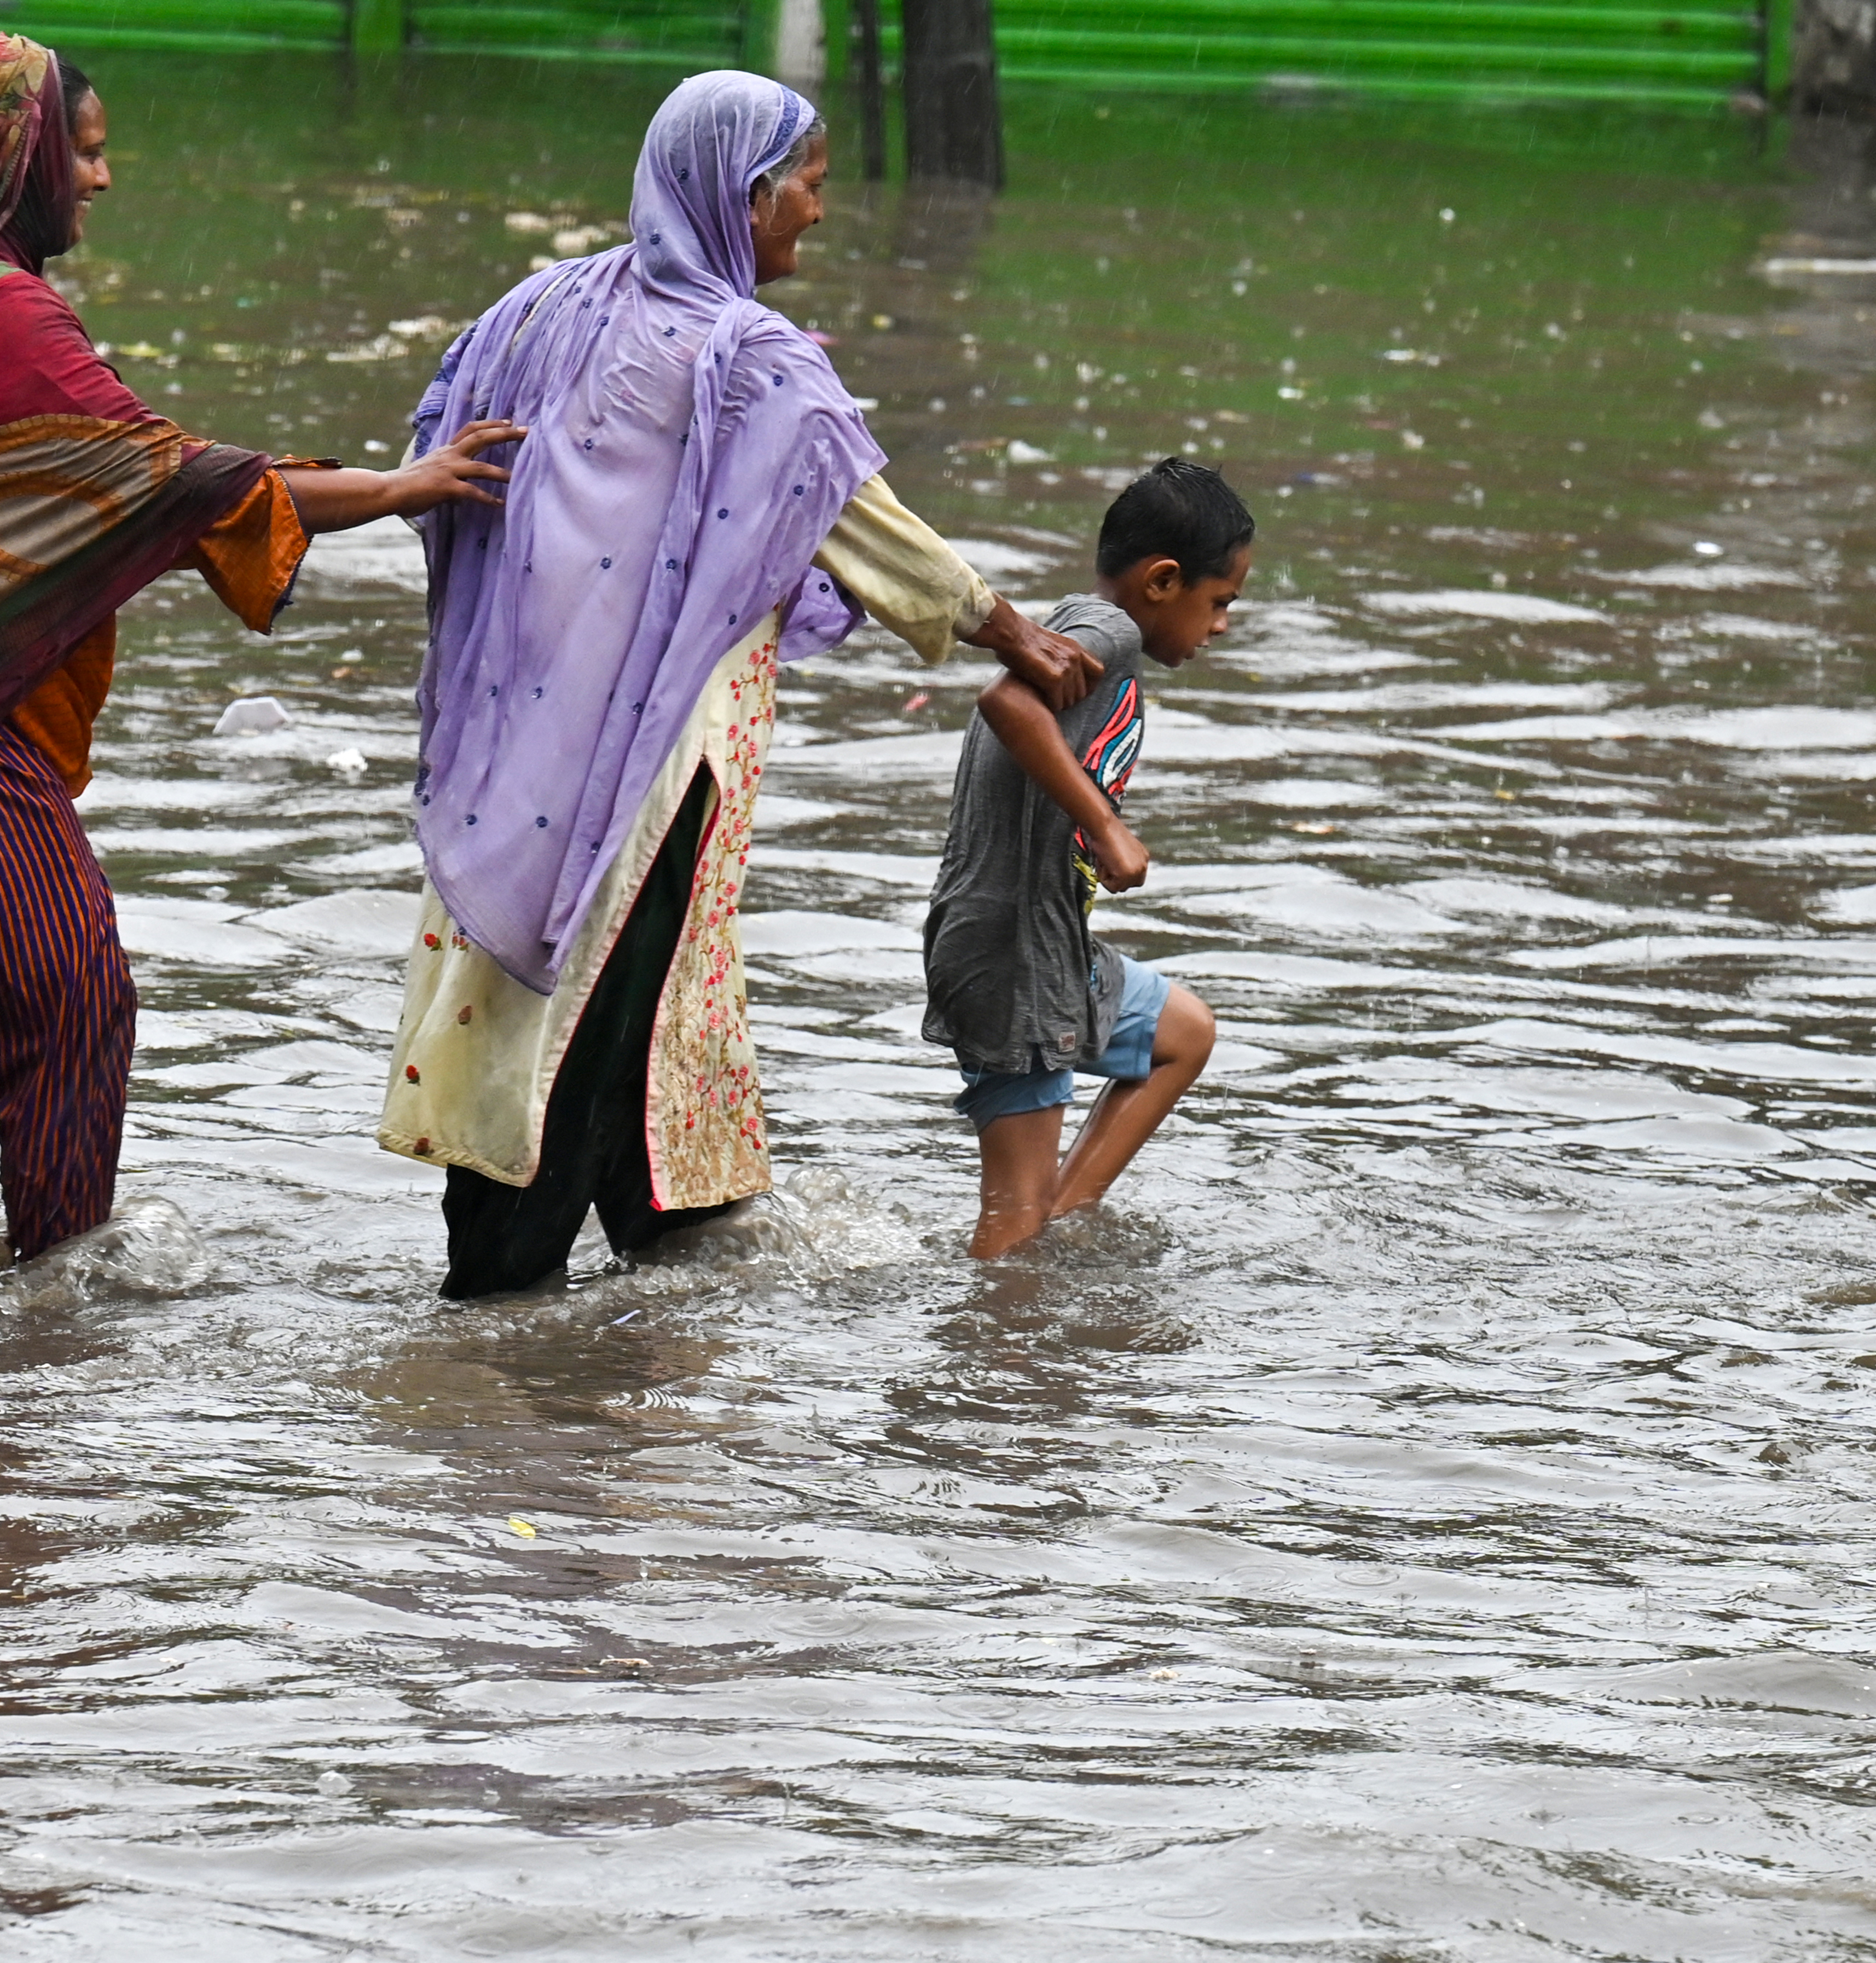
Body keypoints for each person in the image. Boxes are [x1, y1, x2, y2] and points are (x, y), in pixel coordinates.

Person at [0, 36, 520, 1267]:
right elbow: (166, 479)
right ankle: (61, 1307)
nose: (99, 180)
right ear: (14, 161)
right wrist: (404, 485)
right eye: (81, 152)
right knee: (73, 998)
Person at [377, 69, 1099, 1298]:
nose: (820, 212)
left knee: (591, 991)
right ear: (745, 195)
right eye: (810, 186)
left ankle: (665, 1246)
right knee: (603, 1003)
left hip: (527, 749)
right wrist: (1017, 636)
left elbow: (435, 456)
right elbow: (863, 520)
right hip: (656, 759)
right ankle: (503, 1303)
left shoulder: (541, 307)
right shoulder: (749, 353)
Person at [922, 456, 1252, 1258]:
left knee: (1183, 1033)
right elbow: (1005, 702)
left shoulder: (1087, 632)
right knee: (1007, 1225)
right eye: (1220, 603)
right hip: (1012, 952)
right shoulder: (1112, 632)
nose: (1221, 627)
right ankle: (1003, 1348)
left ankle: (1059, 1233)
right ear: (1163, 580)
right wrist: (1104, 828)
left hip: (1046, 943)